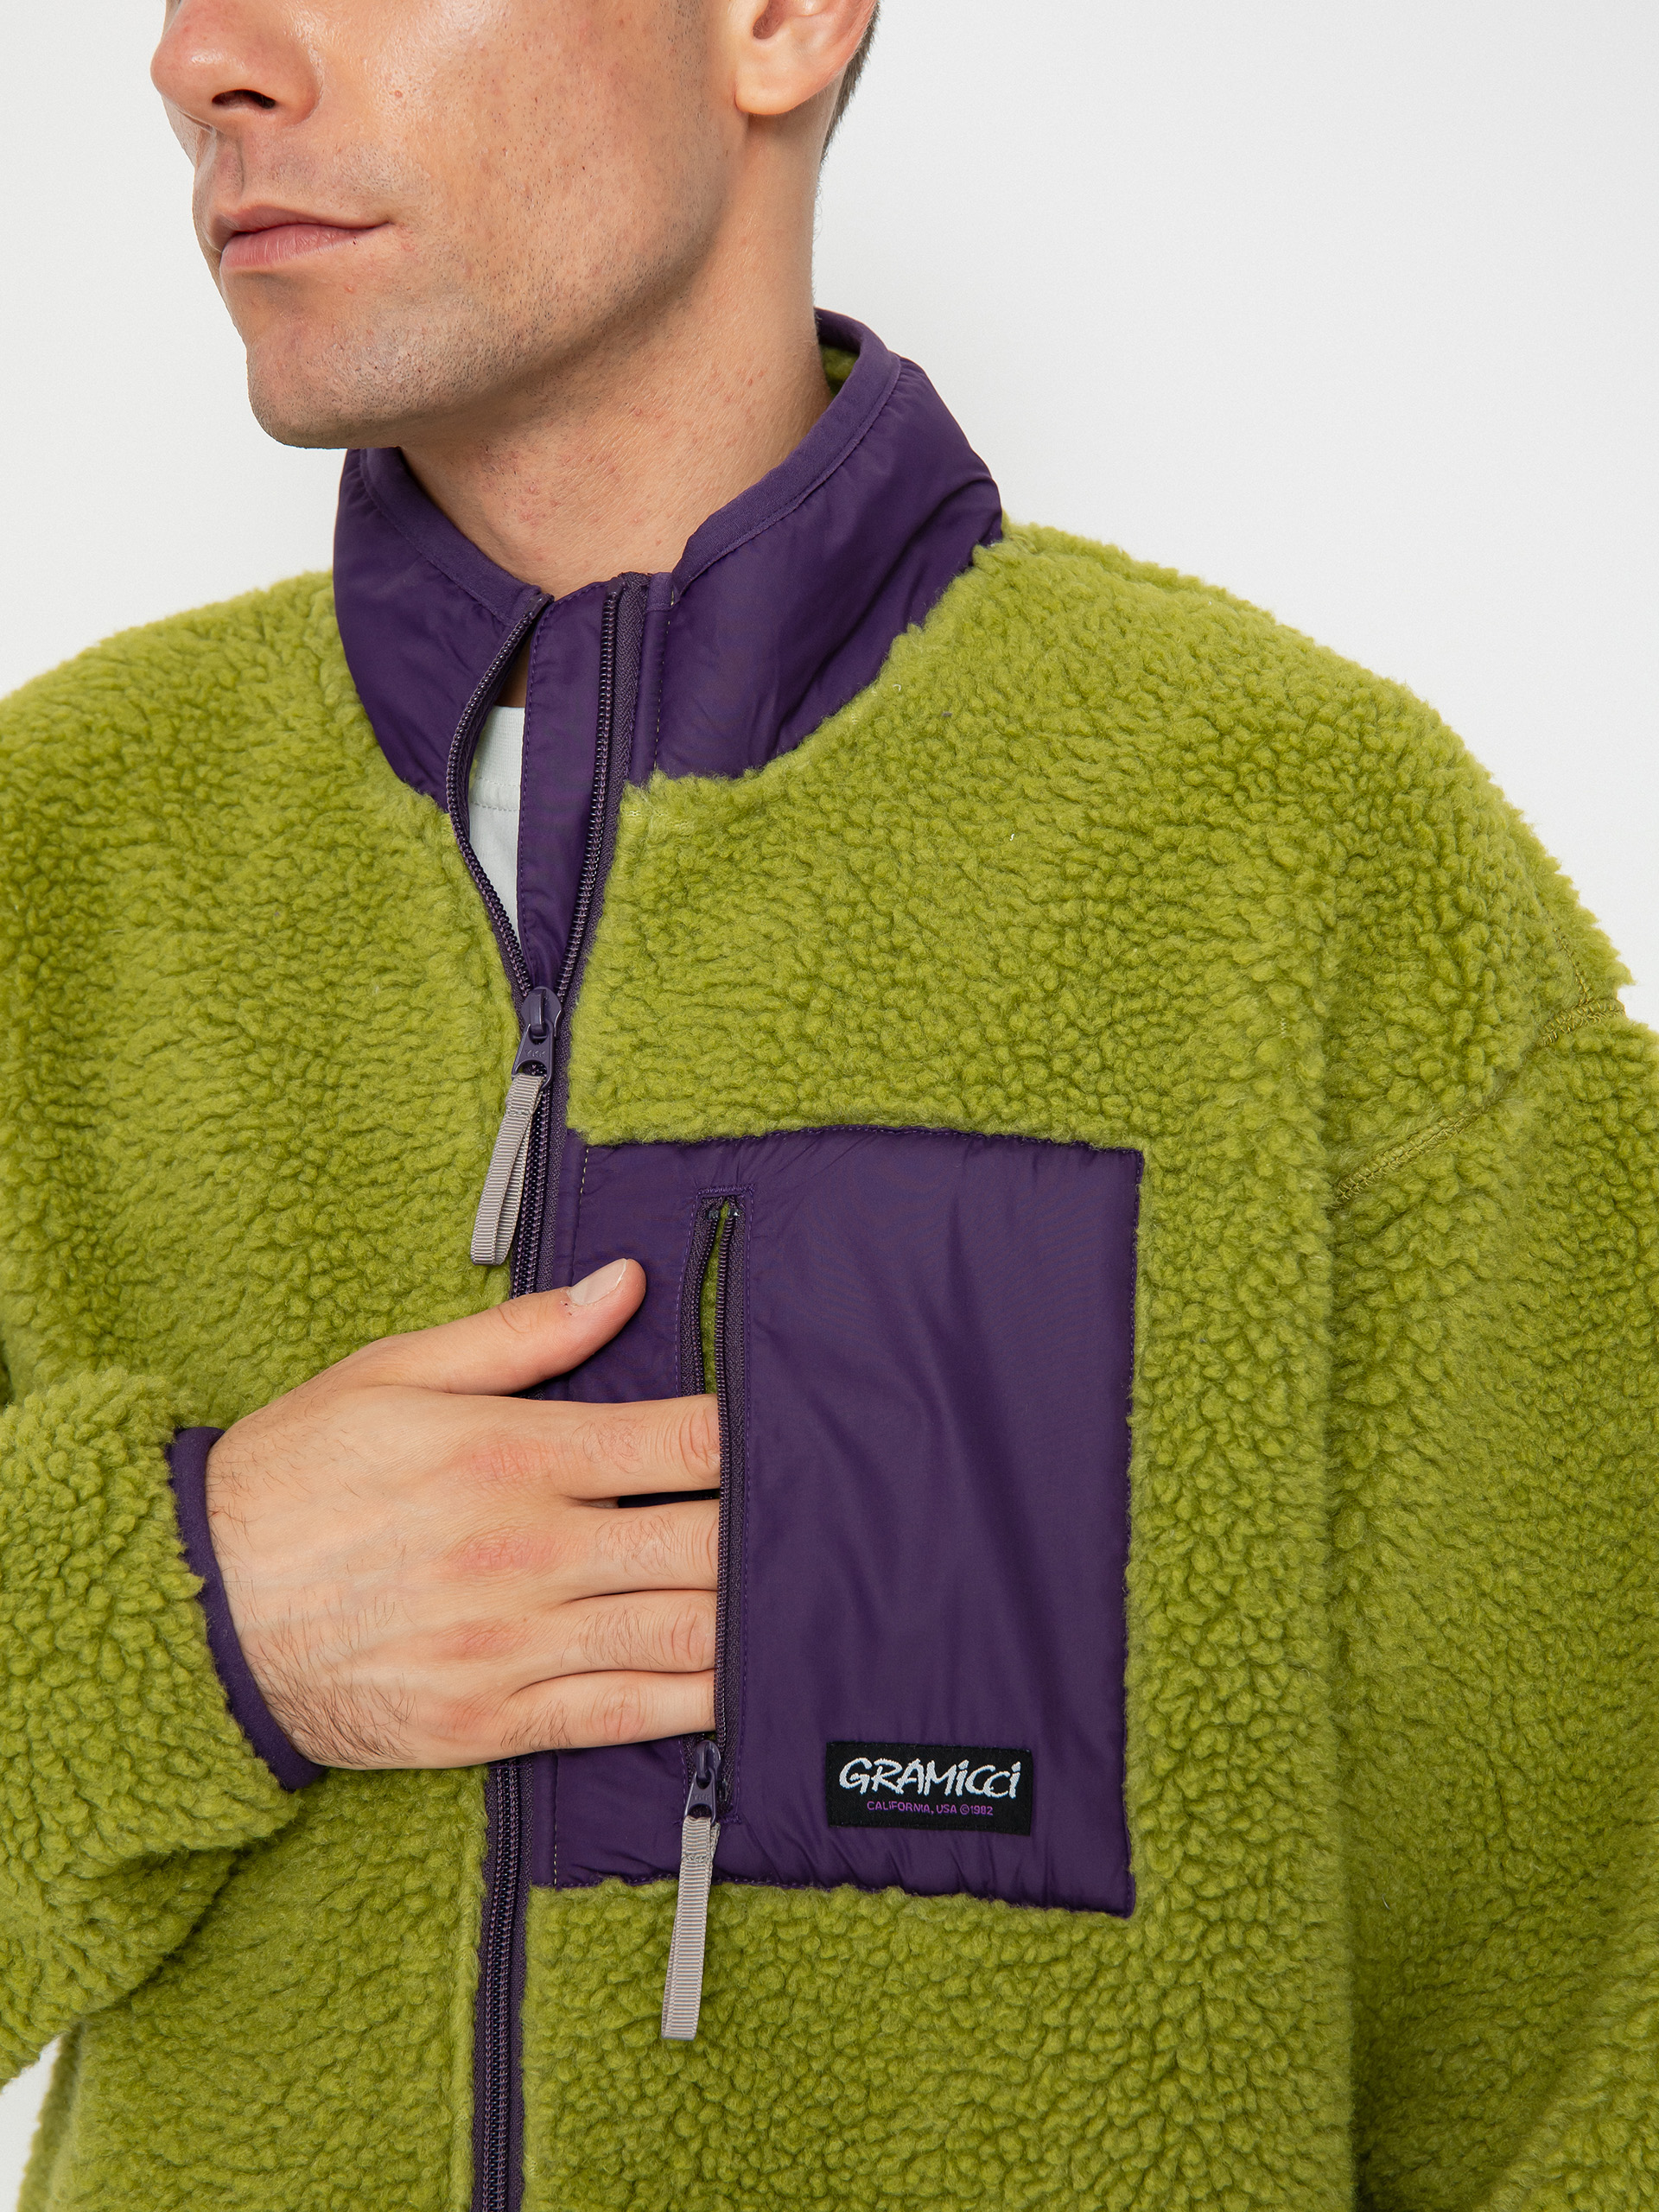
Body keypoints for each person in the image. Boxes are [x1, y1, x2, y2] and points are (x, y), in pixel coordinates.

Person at [1, 0, 1654, 2204]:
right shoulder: (54, 860)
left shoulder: (1312, 864)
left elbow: (1594, 2054)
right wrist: (197, 1615)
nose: (201, 56)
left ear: (778, 20)